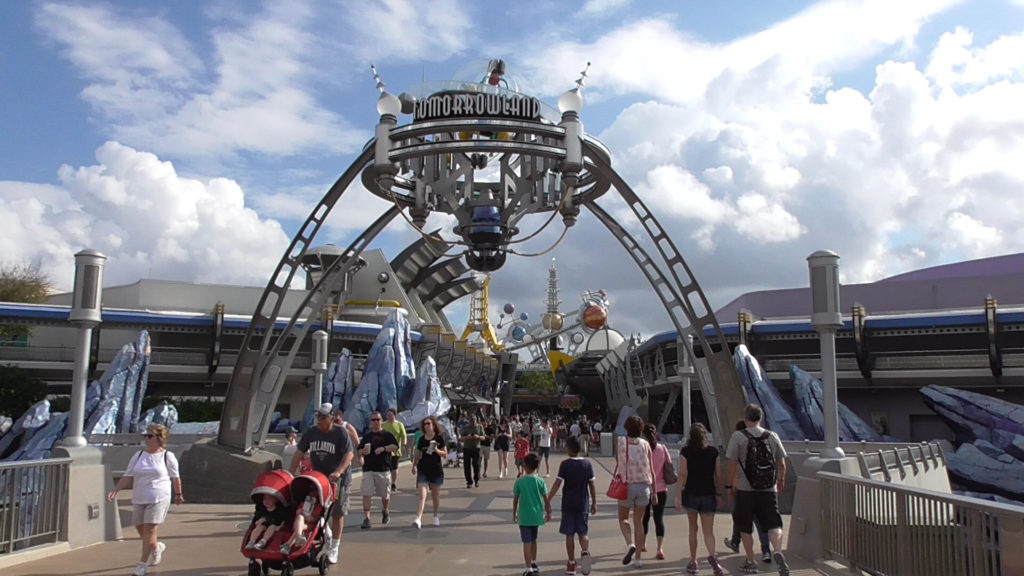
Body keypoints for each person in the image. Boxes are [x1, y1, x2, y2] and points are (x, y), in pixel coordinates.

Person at [107, 424, 184, 576]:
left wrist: (178, 494)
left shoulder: (167, 456)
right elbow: (128, 475)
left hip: (159, 496)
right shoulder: (138, 455)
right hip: (140, 496)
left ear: (158, 438)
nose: (146, 439)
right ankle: (156, 547)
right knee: (140, 527)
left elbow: (176, 477)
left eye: (149, 436)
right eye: (146, 436)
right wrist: (116, 490)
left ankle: (142, 565)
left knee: (150, 529)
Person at [725, 404, 790, 576]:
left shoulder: (738, 436)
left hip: (745, 489)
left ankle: (751, 561)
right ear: (761, 418)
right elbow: (782, 463)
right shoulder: (773, 436)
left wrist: (730, 485)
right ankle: (777, 551)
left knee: (745, 526)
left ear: (746, 419)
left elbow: (731, 464)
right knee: (774, 523)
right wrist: (781, 480)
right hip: (769, 489)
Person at [290, 403, 354, 565]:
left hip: (339, 480)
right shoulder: (312, 433)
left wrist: (339, 471)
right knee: (314, 510)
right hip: (318, 479)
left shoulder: (341, 433)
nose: (319, 420)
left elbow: (349, 455)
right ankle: (326, 534)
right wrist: (290, 474)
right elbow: (299, 452)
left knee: (337, 513)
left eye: (323, 417)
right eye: (318, 416)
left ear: (332, 418)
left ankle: (335, 547)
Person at [676, 422, 725, 576]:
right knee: (708, 531)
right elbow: (718, 475)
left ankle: (693, 561)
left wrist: (678, 494)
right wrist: (719, 494)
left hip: (691, 494)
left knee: (693, 529)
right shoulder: (713, 452)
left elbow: (683, 474)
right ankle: (713, 558)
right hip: (709, 494)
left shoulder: (686, 451)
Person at [545, 437, 597, 576]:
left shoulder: (565, 465)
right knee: (583, 532)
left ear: (569, 449)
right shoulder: (587, 464)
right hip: (583, 503)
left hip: (568, 504)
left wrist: (548, 499)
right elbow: (592, 485)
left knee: (569, 534)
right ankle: (585, 551)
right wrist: (594, 502)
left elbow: (557, 483)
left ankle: (572, 563)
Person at [723, 420, 772, 563]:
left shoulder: (738, 444)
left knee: (740, 517)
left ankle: (736, 543)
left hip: (743, 489)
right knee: (760, 520)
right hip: (762, 488)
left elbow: (734, 469)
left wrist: (730, 487)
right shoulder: (761, 444)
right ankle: (766, 551)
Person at [616, 414, 656, 568]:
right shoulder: (646, 445)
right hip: (644, 486)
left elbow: (618, 462)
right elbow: (651, 469)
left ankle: (629, 543)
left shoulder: (621, 442)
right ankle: (638, 558)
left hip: (627, 485)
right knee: (639, 522)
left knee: (623, 518)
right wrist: (654, 491)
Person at [358, 411, 399, 529]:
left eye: (378, 419)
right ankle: (367, 518)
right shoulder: (367, 437)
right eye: (373, 420)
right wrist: (362, 454)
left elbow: (396, 447)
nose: (376, 422)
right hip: (368, 469)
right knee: (367, 493)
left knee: (385, 495)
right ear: (371, 422)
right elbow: (359, 450)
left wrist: (384, 448)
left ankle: (385, 510)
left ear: (381, 421)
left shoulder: (387, 435)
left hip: (383, 469)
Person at [513, 453, 548, 576]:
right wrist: (548, 511)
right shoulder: (540, 481)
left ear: (526, 466)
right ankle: (534, 562)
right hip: (536, 515)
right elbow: (545, 498)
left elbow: (516, 499)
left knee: (526, 542)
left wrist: (514, 513)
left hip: (524, 516)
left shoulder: (520, 482)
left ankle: (529, 569)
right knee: (534, 540)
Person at [411, 416, 447, 528]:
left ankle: (435, 516)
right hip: (423, 469)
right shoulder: (421, 439)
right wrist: (414, 466)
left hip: (435, 469)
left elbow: (445, 454)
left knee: (435, 495)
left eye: (428, 423)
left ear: (433, 425)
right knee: (422, 494)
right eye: (424, 424)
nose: (426, 426)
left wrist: (436, 449)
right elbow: (418, 454)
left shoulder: (439, 438)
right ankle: (418, 518)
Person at [641, 424, 671, 561]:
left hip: (645, 488)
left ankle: (643, 543)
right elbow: (669, 465)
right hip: (661, 489)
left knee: (644, 517)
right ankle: (660, 548)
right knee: (659, 519)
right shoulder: (662, 448)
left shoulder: (643, 449)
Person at [381, 408, 407, 492]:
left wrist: (403, 445)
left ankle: (393, 483)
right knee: (386, 467)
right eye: (387, 415)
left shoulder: (399, 424)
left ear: (394, 415)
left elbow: (404, 436)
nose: (388, 416)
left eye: (390, 415)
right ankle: (385, 483)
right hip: (385, 450)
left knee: (394, 468)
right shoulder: (383, 424)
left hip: (395, 450)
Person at [460, 414, 486, 488]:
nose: (472, 423)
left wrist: (478, 437)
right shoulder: (465, 427)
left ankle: (477, 480)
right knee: (467, 466)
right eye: (471, 421)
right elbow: (461, 438)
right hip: (467, 448)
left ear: (476, 421)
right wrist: (467, 437)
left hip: (476, 448)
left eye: (474, 421)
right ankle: (469, 481)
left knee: (476, 465)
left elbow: (484, 437)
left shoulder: (480, 427)